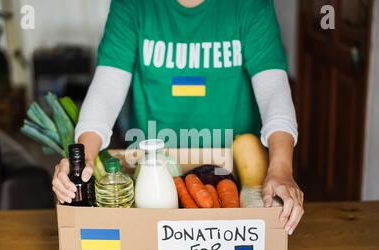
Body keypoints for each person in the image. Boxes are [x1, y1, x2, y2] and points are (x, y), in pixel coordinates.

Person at [52, 0, 304, 235]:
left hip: (236, 174)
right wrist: (83, 156)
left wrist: (281, 168)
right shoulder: (132, 4)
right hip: (155, 176)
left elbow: (274, 89)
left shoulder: (250, 4)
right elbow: (106, 88)